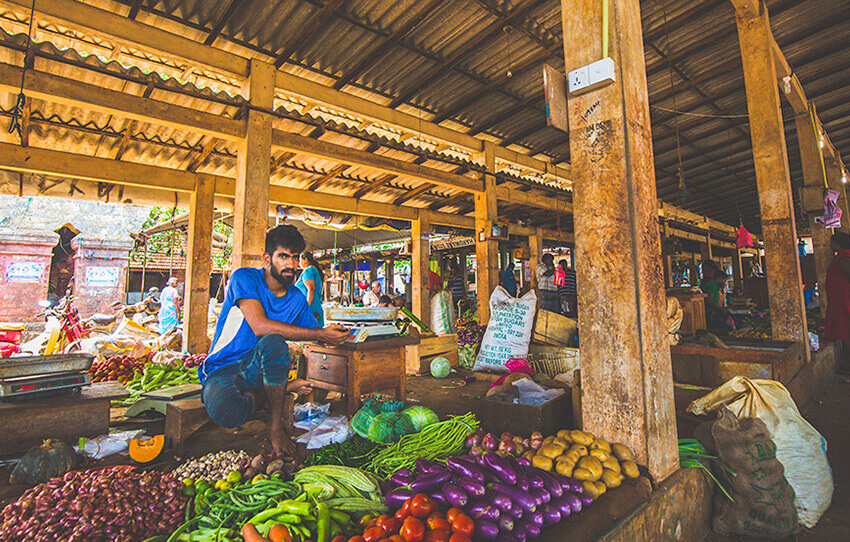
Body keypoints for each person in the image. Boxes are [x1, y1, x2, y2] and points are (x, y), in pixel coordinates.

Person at [198, 225, 349, 456]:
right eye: (283, 256)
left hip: (259, 367)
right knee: (226, 413)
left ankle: (275, 424)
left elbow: (315, 332)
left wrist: (334, 335)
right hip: (225, 367)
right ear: (267, 259)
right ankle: (279, 390)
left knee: (274, 344)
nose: (291, 264)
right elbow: (259, 326)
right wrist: (320, 334)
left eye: (296, 257)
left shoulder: (296, 298)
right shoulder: (245, 278)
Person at [824, 232, 850, 374]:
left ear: (838, 244)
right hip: (838, 300)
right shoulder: (842, 256)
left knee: (845, 331)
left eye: (832, 242)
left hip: (843, 300)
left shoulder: (844, 256)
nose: (830, 245)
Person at [701, 260, 733, 333]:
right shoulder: (711, 284)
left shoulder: (714, 285)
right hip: (710, 314)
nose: (724, 282)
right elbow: (709, 301)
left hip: (714, 312)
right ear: (720, 278)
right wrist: (721, 309)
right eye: (724, 280)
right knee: (728, 330)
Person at [294, 251, 325, 327]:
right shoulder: (314, 270)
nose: (299, 263)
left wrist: (306, 307)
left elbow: (311, 289)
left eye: (300, 261)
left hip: (310, 309)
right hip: (314, 307)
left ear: (306, 260)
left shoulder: (308, 270)